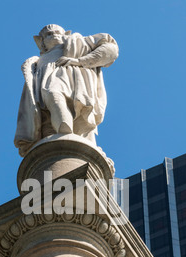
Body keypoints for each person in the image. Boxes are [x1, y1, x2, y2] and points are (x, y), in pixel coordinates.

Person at [14, 24, 119, 157]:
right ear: (41, 41)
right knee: (48, 125)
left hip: (74, 84)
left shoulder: (78, 43)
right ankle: (62, 140)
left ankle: (66, 133)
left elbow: (111, 48)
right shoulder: (35, 62)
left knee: (52, 92)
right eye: (48, 34)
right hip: (42, 98)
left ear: (66, 35)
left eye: (58, 32)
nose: (54, 35)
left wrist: (80, 61)